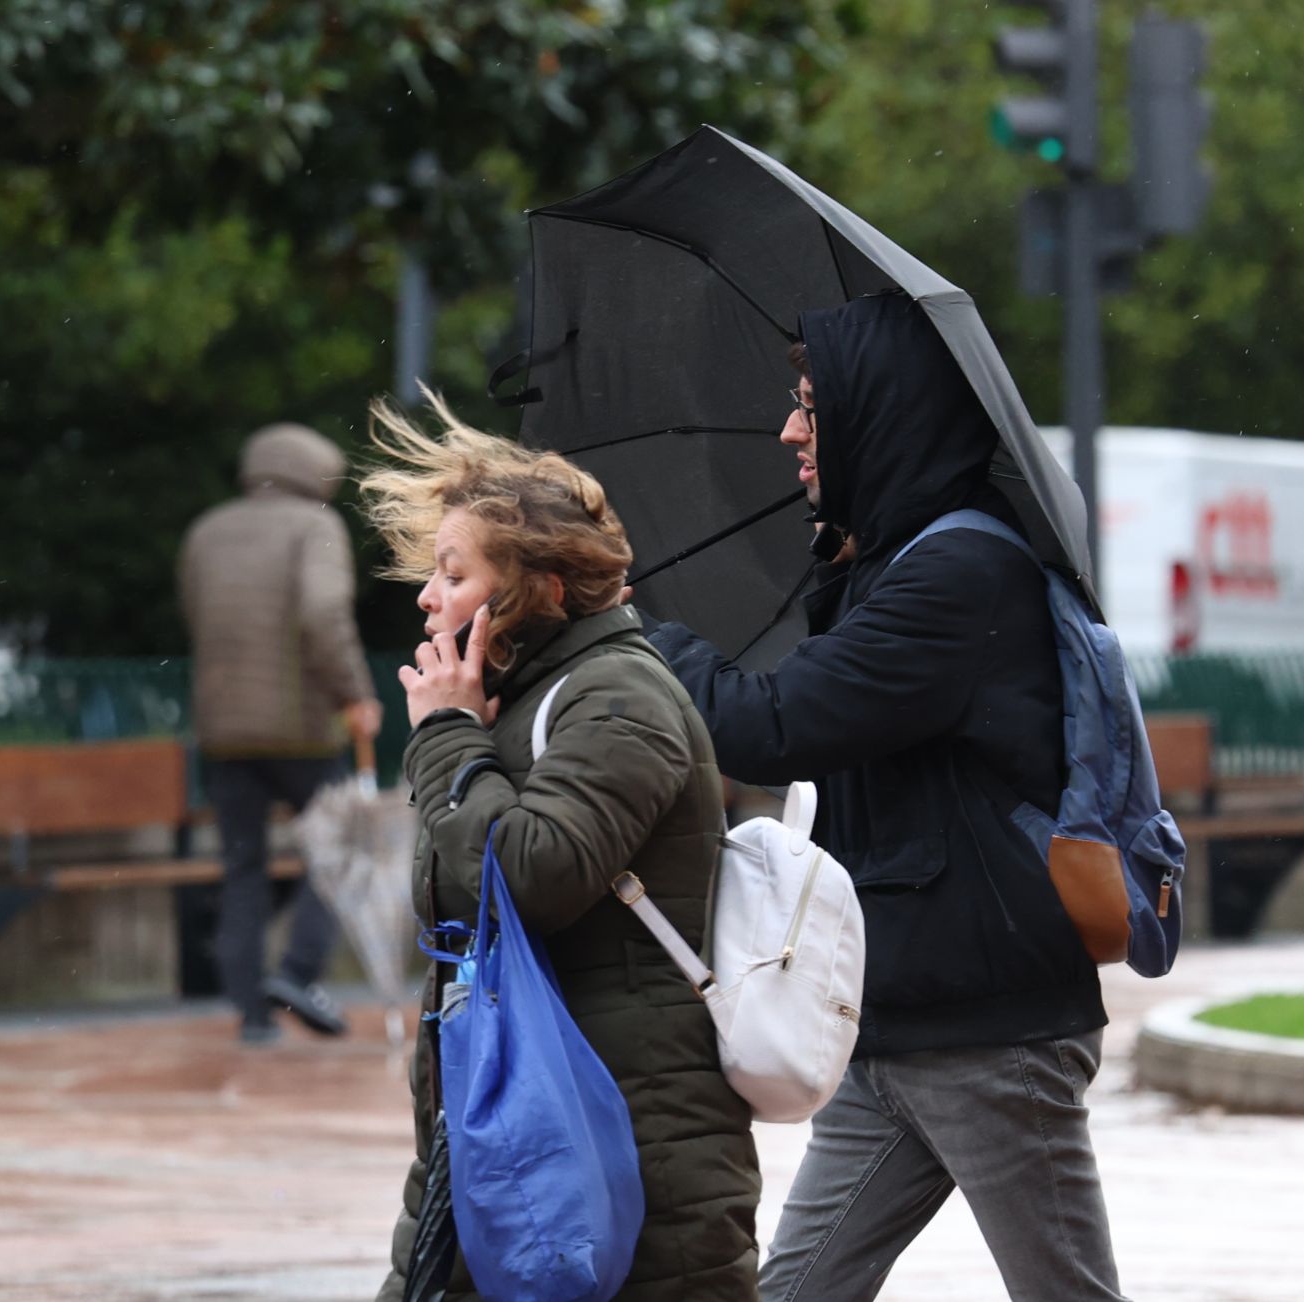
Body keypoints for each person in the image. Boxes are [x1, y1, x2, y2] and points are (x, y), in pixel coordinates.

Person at [639, 293, 1128, 1300]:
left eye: (811, 407)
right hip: (900, 1010)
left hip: (990, 1025)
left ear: (880, 414)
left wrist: (630, 619)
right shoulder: (896, 563)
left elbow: (771, 728)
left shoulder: (960, 575)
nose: (790, 431)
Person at [362, 392, 760, 1302]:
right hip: (509, 1120)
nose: (428, 596)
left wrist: (447, 738)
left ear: (540, 590)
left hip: (624, 1145)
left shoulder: (618, 698)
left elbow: (533, 876)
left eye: (454, 574)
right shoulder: (531, 698)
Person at [178, 422, 382, 1045]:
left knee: (243, 867)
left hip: (223, 732)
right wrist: (354, 694)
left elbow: (194, 616)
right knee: (340, 851)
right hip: (302, 731)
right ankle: (297, 973)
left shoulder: (207, 530)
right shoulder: (314, 527)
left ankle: (252, 1016)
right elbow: (324, 616)